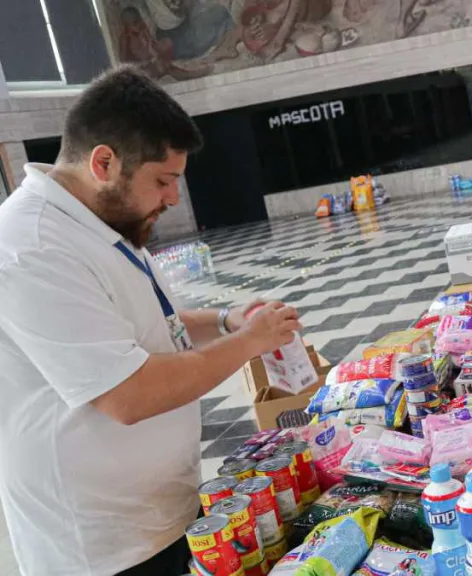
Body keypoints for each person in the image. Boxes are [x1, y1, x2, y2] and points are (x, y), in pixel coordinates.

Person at [0, 67, 302, 575]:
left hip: (157, 513)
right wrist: (250, 342)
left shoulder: (95, 223)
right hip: (100, 543)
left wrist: (227, 320)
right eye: (163, 181)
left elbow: (146, 323)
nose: (171, 199)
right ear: (104, 162)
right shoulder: (31, 245)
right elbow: (128, 394)